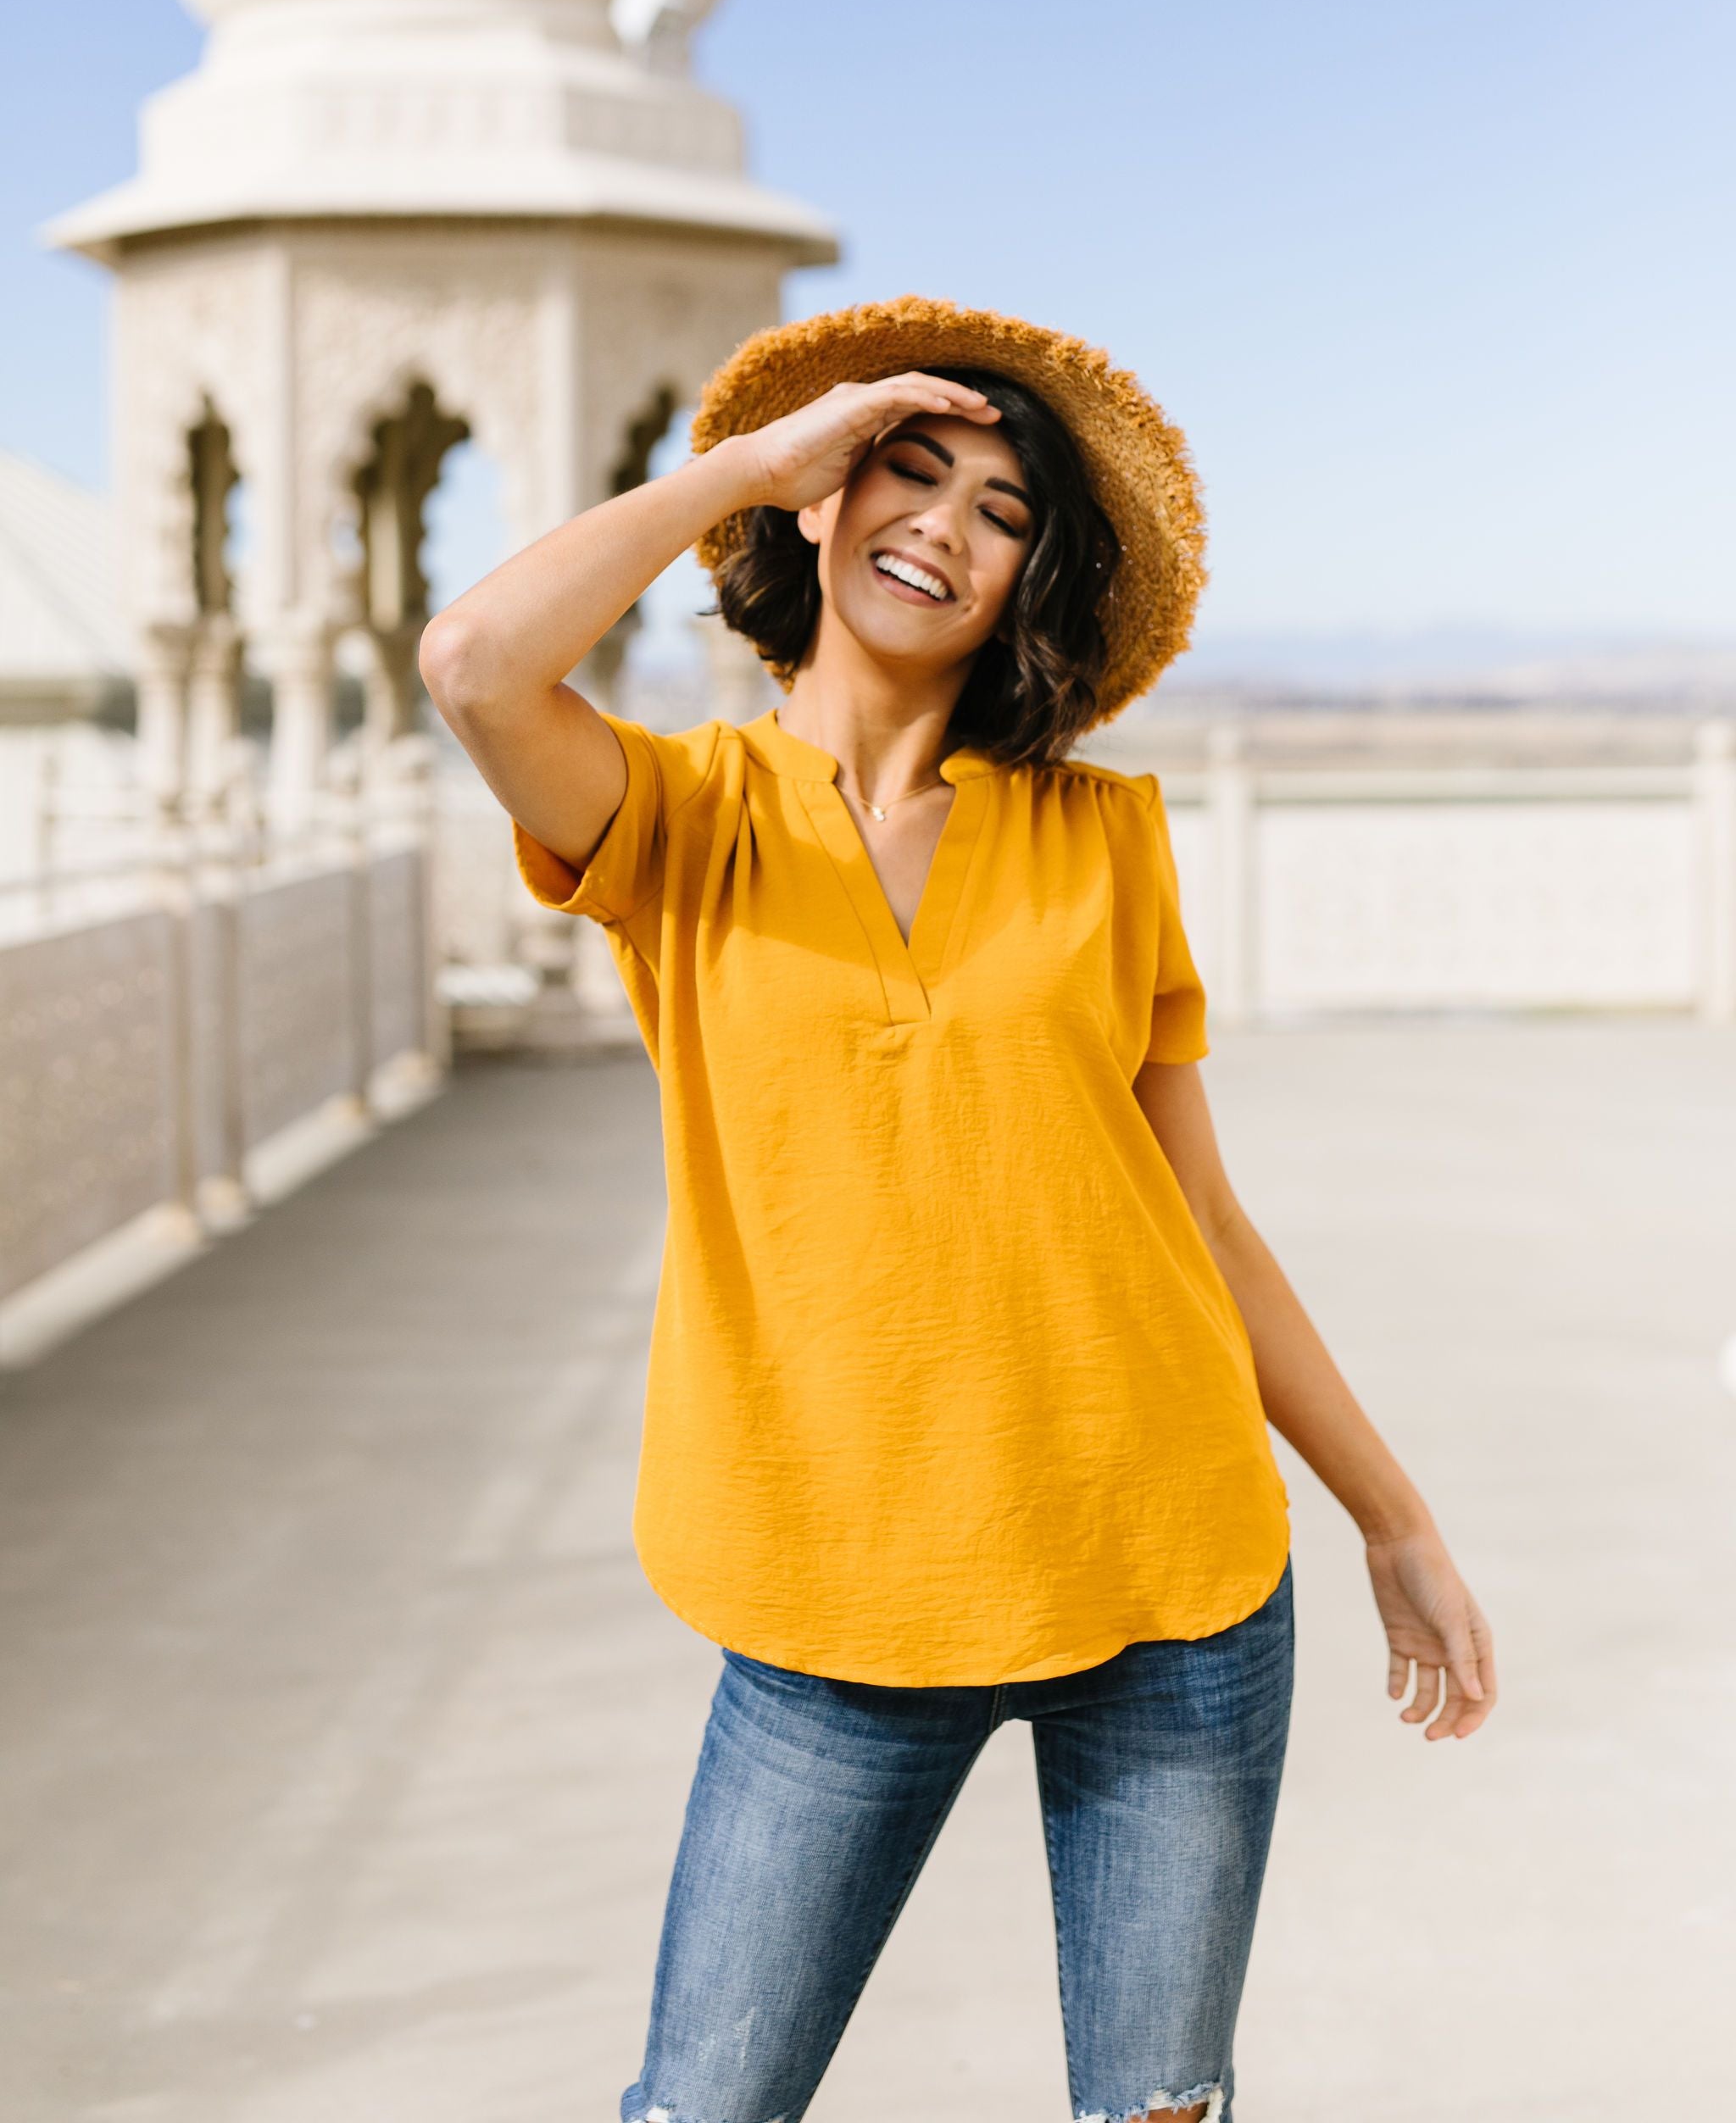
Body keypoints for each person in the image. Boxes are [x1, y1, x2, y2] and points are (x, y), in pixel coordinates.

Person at [420, 298, 1497, 2123]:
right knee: (701, 2106)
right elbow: (471, 659)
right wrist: (757, 457)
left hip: (1168, 1581)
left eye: (1001, 509)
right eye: (903, 473)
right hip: (840, 1594)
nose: (943, 524)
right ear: (820, 510)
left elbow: (1202, 1224)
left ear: (1030, 579)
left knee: (1159, 2112)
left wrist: (1389, 1517)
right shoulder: (683, 822)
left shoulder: (1101, 837)